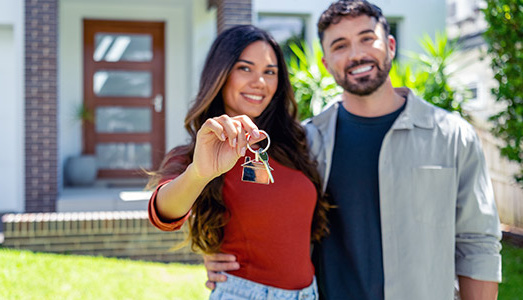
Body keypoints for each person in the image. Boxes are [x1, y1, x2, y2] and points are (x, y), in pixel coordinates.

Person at [203, 1, 502, 300]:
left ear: (391, 45)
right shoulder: (305, 141)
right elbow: (257, 206)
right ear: (326, 63)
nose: (357, 54)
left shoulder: (452, 135)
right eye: (340, 45)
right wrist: (220, 253)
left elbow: (478, 244)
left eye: (367, 38)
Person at [147, 25, 328, 299]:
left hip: (308, 293)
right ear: (220, 75)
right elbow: (162, 212)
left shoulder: (295, 143)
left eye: (270, 71)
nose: (260, 82)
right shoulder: (196, 154)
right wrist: (198, 173)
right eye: (245, 68)